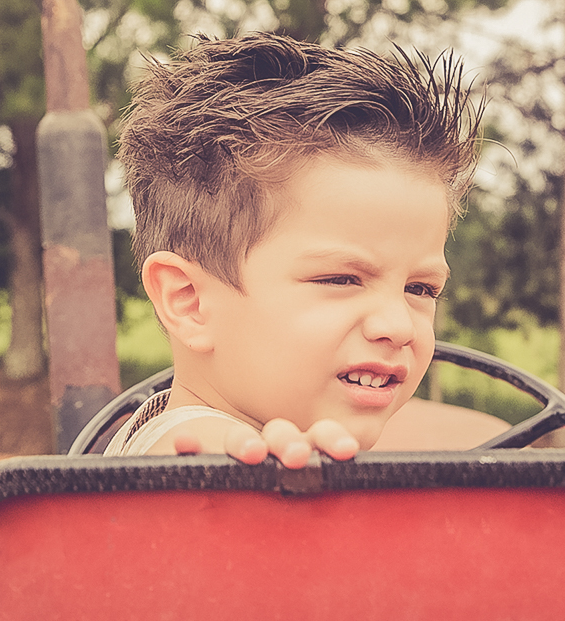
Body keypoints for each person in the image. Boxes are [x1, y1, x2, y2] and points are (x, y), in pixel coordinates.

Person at [105, 33, 480, 468]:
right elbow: (201, 458)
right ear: (188, 301)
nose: (398, 327)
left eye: (421, 289)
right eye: (341, 279)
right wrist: (258, 476)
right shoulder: (203, 458)